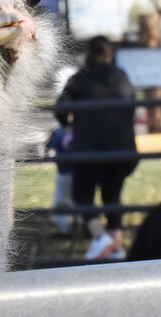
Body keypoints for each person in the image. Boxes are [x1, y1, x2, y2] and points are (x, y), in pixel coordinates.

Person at [55, 35, 137, 261]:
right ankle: (116, 251)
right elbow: (131, 107)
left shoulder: (79, 79)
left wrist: (68, 127)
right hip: (120, 149)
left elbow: (61, 109)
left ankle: (101, 238)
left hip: (88, 149)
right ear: (110, 53)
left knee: (82, 195)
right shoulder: (122, 77)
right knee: (113, 198)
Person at [45, 124, 74, 235]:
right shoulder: (82, 127)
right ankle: (86, 228)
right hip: (82, 172)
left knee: (61, 202)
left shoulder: (59, 131)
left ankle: (64, 231)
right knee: (82, 200)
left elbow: (49, 146)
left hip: (64, 173)